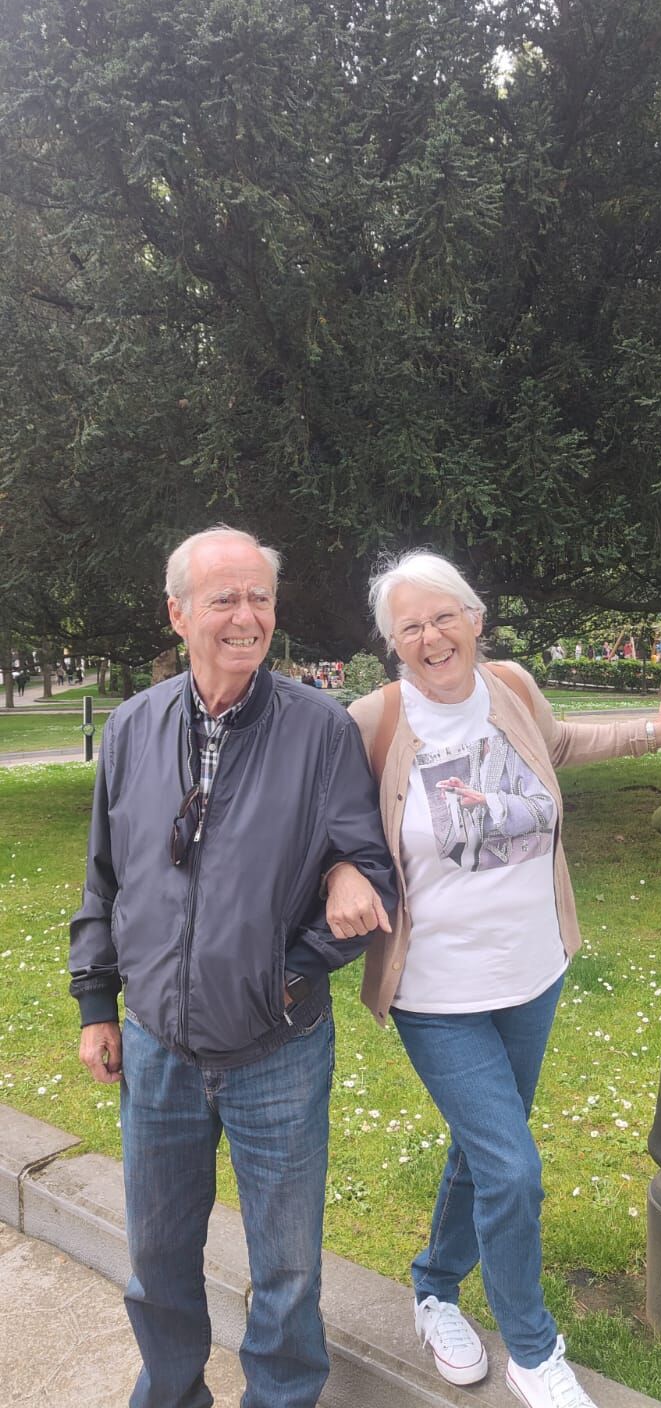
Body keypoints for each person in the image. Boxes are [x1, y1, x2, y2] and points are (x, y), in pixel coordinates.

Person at [325, 551, 661, 1408]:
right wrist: (340, 869)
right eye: (408, 625)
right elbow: (322, 819)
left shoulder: (513, 686)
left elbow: (556, 746)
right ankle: (532, 1347)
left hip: (534, 970)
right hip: (437, 993)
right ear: (391, 642)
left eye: (443, 616)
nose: (430, 636)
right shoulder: (371, 721)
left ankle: (434, 1286)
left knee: (484, 1153)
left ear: (477, 619)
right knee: (512, 1170)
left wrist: (653, 733)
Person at [69, 525, 396, 1408]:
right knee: (157, 1258)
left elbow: (373, 880)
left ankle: (282, 1398)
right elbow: (106, 877)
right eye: (224, 598)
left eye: (259, 597)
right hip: (158, 1050)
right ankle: (170, 1392)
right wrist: (99, 1001)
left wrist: (285, 969)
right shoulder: (135, 728)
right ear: (178, 613)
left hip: (277, 1052)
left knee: (286, 1272)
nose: (247, 615)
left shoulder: (319, 730)